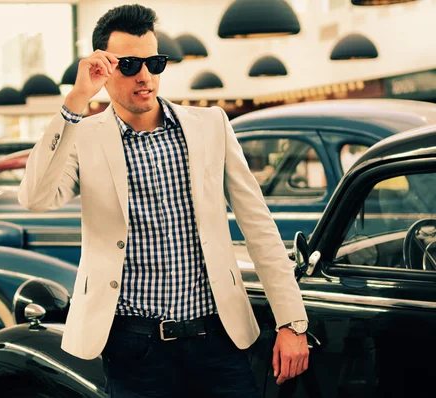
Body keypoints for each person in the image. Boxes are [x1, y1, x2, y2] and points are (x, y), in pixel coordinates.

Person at [18, 4, 309, 397]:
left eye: (154, 62)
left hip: (218, 339)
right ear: (102, 69)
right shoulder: (83, 137)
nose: (145, 76)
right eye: (130, 65)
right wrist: (76, 99)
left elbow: (258, 225)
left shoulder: (210, 126)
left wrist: (291, 322)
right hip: (134, 348)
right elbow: (35, 198)